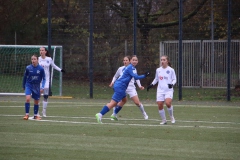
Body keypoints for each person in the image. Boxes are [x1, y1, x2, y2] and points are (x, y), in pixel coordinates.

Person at [95, 55, 150, 123]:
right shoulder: (130, 67)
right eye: (133, 60)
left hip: (121, 86)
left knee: (124, 100)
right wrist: (145, 75)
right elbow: (136, 77)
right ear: (130, 61)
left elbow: (135, 77)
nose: (134, 61)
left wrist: (141, 83)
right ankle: (100, 114)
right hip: (120, 86)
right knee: (113, 103)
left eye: (136, 60)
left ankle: (114, 115)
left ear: (138, 61)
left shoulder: (131, 67)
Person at [109, 55, 148, 120]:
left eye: (126, 60)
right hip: (122, 87)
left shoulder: (133, 69)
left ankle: (144, 113)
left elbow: (136, 78)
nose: (125, 61)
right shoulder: (120, 69)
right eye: (124, 60)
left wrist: (140, 86)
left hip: (131, 88)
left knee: (137, 103)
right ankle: (114, 115)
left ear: (129, 61)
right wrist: (112, 82)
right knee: (116, 101)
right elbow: (115, 76)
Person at [147, 55, 176, 125]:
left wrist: (172, 84)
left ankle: (171, 117)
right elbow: (156, 79)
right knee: (160, 104)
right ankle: (164, 120)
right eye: (161, 60)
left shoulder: (171, 70)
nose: (162, 61)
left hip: (168, 90)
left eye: (164, 60)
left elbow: (174, 79)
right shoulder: (158, 70)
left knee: (168, 103)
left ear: (167, 61)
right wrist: (151, 84)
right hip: (160, 90)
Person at [38, 47, 65, 117]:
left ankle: (44, 111)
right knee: (37, 96)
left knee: (46, 96)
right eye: (40, 50)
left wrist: (61, 70)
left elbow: (54, 66)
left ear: (45, 51)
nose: (41, 51)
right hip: (39, 80)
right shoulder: (38, 59)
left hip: (46, 80)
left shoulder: (49, 59)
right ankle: (36, 111)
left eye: (42, 50)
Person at [23, 55, 46, 120]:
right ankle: (26, 115)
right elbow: (25, 77)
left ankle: (35, 115)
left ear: (37, 60)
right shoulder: (28, 68)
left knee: (36, 101)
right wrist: (23, 85)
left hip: (36, 86)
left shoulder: (41, 69)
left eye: (34, 59)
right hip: (29, 84)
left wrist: (42, 87)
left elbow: (44, 78)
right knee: (27, 98)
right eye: (32, 59)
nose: (33, 60)